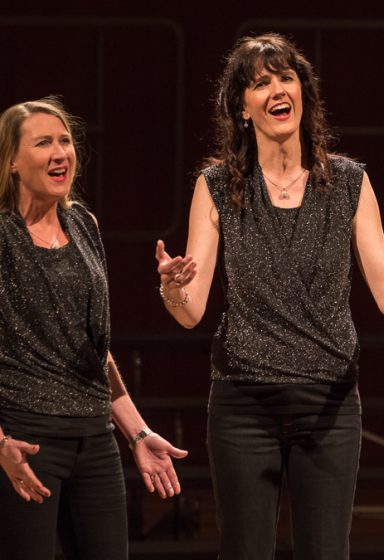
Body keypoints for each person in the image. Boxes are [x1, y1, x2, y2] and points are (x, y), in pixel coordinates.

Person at [154, 33, 384, 560]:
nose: (278, 90)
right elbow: (191, 312)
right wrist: (171, 288)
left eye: (287, 78)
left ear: (304, 93)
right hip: (243, 404)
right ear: (242, 108)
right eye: (261, 83)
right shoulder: (216, 187)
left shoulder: (348, 182)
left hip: (329, 406)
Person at [0, 98, 188, 560]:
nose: (60, 153)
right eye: (43, 143)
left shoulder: (83, 224)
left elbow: (95, 348)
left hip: (95, 439)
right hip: (25, 441)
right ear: (11, 161)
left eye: (65, 141)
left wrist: (137, 434)